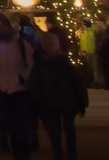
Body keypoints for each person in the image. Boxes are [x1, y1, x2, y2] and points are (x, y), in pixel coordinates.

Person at [0, 12, 35, 160]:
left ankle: (23, 152)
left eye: (3, 25)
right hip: (1, 90)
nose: (1, 28)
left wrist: (23, 78)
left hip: (20, 90)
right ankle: (16, 150)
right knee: (10, 124)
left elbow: (31, 63)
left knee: (21, 124)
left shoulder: (21, 43)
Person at [29, 32, 86, 160]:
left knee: (69, 131)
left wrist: (82, 102)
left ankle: (71, 153)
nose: (49, 46)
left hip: (66, 102)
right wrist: (35, 104)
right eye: (46, 44)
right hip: (48, 103)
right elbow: (35, 85)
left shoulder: (64, 63)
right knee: (54, 132)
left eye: (52, 44)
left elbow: (77, 84)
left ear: (57, 46)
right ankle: (58, 153)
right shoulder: (39, 64)